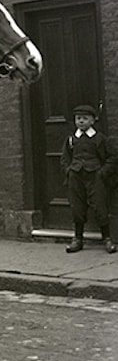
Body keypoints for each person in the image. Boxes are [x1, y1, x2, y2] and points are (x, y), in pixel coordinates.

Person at [60, 104, 115, 253]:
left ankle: (107, 239)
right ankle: (78, 239)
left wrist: (102, 173)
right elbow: (65, 158)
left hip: (95, 176)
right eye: (78, 118)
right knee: (77, 207)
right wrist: (69, 171)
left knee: (100, 205)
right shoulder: (71, 139)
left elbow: (112, 157)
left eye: (85, 118)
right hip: (76, 176)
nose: (81, 121)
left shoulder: (100, 139)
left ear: (93, 120)